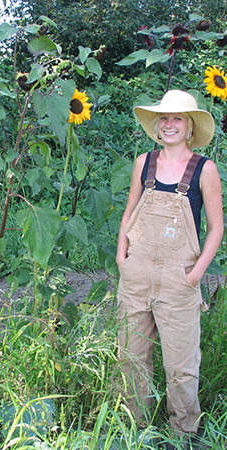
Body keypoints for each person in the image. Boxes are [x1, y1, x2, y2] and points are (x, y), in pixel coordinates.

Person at [116, 90, 224, 449]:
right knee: (132, 356)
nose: (169, 124)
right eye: (164, 118)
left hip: (180, 279)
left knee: (180, 366)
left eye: (178, 118)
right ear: (156, 125)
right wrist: (122, 257)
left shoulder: (204, 169)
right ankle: (135, 428)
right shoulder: (143, 163)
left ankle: (184, 434)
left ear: (190, 126)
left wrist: (195, 275)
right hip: (136, 274)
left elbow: (216, 227)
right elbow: (130, 210)